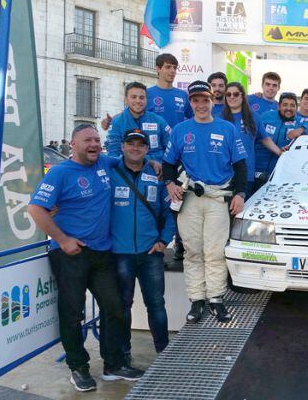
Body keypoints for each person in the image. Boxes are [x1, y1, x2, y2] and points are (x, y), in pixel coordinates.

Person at [28, 124, 143, 392]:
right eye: (87, 140)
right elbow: (36, 210)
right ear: (73, 144)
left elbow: (131, 158)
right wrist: (63, 240)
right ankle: (78, 367)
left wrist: (155, 163)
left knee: (115, 307)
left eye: (97, 140)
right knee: (72, 313)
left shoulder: (104, 162)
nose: (94, 144)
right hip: (71, 254)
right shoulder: (59, 173)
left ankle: (113, 365)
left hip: (102, 254)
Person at [162, 80, 248, 324]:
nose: (201, 104)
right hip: (189, 198)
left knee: (215, 250)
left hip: (217, 198)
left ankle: (216, 299)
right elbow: (168, 163)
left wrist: (240, 195)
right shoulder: (180, 130)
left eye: (205, 100)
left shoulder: (227, 129)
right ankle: (197, 299)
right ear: (190, 102)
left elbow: (241, 165)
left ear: (212, 101)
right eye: (196, 100)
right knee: (193, 250)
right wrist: (170, 183)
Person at [109, 129, 175, 363]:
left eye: (140, 144)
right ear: (123, 146)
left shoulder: (157, 175)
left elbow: (170, 213)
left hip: (150, 254)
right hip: (120, 254)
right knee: (123, 306)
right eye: (131, 143)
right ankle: (124, 354)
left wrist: (164, 241)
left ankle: (164, 352)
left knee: (156, 304)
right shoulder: (110, 171)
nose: (135, 148)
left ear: (147, 149)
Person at [254, 92, 308, 190]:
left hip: (278, 176)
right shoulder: (266, 116)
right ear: (279, 106)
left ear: (296, 108)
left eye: (292, 105)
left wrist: (301, 129)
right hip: (255, 171)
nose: (288, 108)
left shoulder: (299, 122)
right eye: (285, 105)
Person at [221, 82, 282, 197]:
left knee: (240, 213)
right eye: (228, 94)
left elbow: (265, 139)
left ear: (242, 96)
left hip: (246, 175)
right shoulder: (219, 118)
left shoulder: (254, 117)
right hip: (223, 175)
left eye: (235, 94)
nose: (232, 97)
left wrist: (281, 153)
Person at [101, 53, 192, 130]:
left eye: (174, 68)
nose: (172, 71)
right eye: (168, 67)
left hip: (176, 148)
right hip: (153, 147)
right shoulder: (146, 94)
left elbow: (196, 117)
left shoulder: (183, 95)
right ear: (158, 69)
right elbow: (128, 113)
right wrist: (110, 121)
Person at [105, 82, 171, 162]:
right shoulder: (117, 122)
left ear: (146, 100)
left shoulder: (159, 121)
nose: (138, 101)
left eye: (141, 97)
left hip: (156, 171)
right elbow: (113, 153)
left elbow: (170, 149)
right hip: (127, 170)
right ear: (126, 100)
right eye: (134, 97)